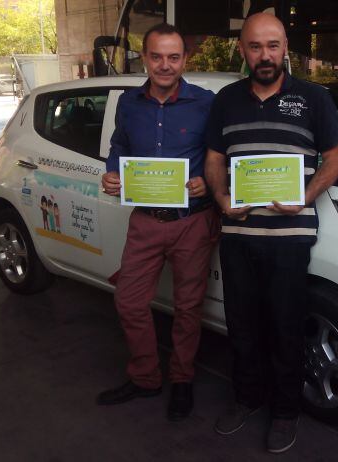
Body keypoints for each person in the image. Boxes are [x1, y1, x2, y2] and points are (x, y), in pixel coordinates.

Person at [204, 13, 338, 454]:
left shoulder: (313, 98)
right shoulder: (226, 99)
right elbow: (212, 159)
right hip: (239, 233)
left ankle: (285, 412)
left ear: (286, 48)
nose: (264, 55)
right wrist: (222, 197)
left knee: (285, 327)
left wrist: (305, 196)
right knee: (242, 326)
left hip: (289, 238)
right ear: (242, 50)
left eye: (272, 45)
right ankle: (247, 398)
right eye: (254, 46)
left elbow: (336, 157)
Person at [96, 22, 219, 422]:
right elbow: (120, 145)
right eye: (156, 56)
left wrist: (211, 182)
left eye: (173, 57)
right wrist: (114, 173)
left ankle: (181, 379)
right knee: (129, 301)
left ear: (185, 59)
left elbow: (225, 154)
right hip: (146, 221)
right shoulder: (129, 104)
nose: (164, 65)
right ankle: (146, 377)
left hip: (193, 222)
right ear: (144, 57)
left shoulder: (206, 103)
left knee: (187, 307)